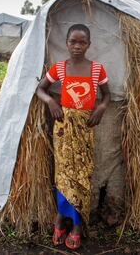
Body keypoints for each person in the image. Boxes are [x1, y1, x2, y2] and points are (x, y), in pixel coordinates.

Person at [36, 24, 110, 250]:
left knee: (82, 174)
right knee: (63, 174)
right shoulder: (60, 68)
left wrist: (100, 108)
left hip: (85, 129)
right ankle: (60, 219)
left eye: (82, 42)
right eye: (73, 42)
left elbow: (108, 95)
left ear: (89, 44)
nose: (77, 46)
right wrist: (50, 101)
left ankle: (77, 225)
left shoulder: (97, 69)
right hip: (62, 129)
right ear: (66, 43)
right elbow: (40, 89)